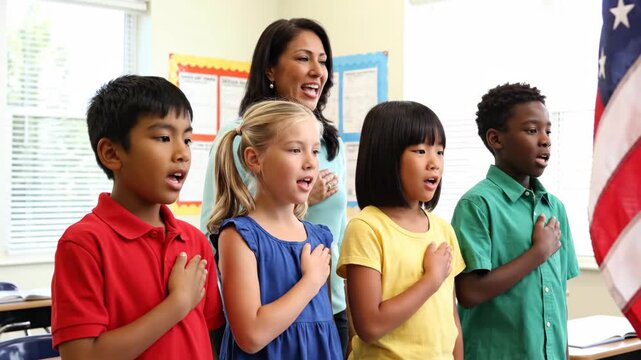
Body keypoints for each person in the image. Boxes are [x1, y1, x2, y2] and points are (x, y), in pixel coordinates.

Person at [200, 18, 349, 354]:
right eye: (303, 58)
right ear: (270, 70)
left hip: (327, 306)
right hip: (262, 307)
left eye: (323, 61)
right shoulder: (239, 138)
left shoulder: (329, 143)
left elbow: (337, 229)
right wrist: (306, 200)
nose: (317, 71)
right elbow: (216, 222)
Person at [51, 75, 224, 359]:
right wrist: (177, 304)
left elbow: (211, 336)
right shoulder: (83, 244)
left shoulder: (194, 241)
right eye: (164, 138)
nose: (182, 153)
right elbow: (82, 356)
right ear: (111, 153)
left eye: (188, 139)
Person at [451, 82, 580, 359]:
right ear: (496, 140)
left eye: (548, 130)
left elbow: (558, 298)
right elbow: (469, 292)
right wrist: (537, 253)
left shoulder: (555, 208)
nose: (545, 139)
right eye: (532, 130)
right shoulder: (477, 204)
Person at [209, 100, 343, 359]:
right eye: (295, 150)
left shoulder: (320, 238)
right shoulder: (238, 236)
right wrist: (310, 281)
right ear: (254, 159)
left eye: (315, 151)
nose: (310, 163)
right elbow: (251, 336)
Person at [337, 101, 465, 359]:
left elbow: (451, 321)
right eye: (420, 151)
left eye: (440, 152)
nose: (434, 163)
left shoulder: (442, 229)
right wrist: (431, 279)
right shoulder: (366, 228)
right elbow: (369, 326)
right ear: (386, 157)